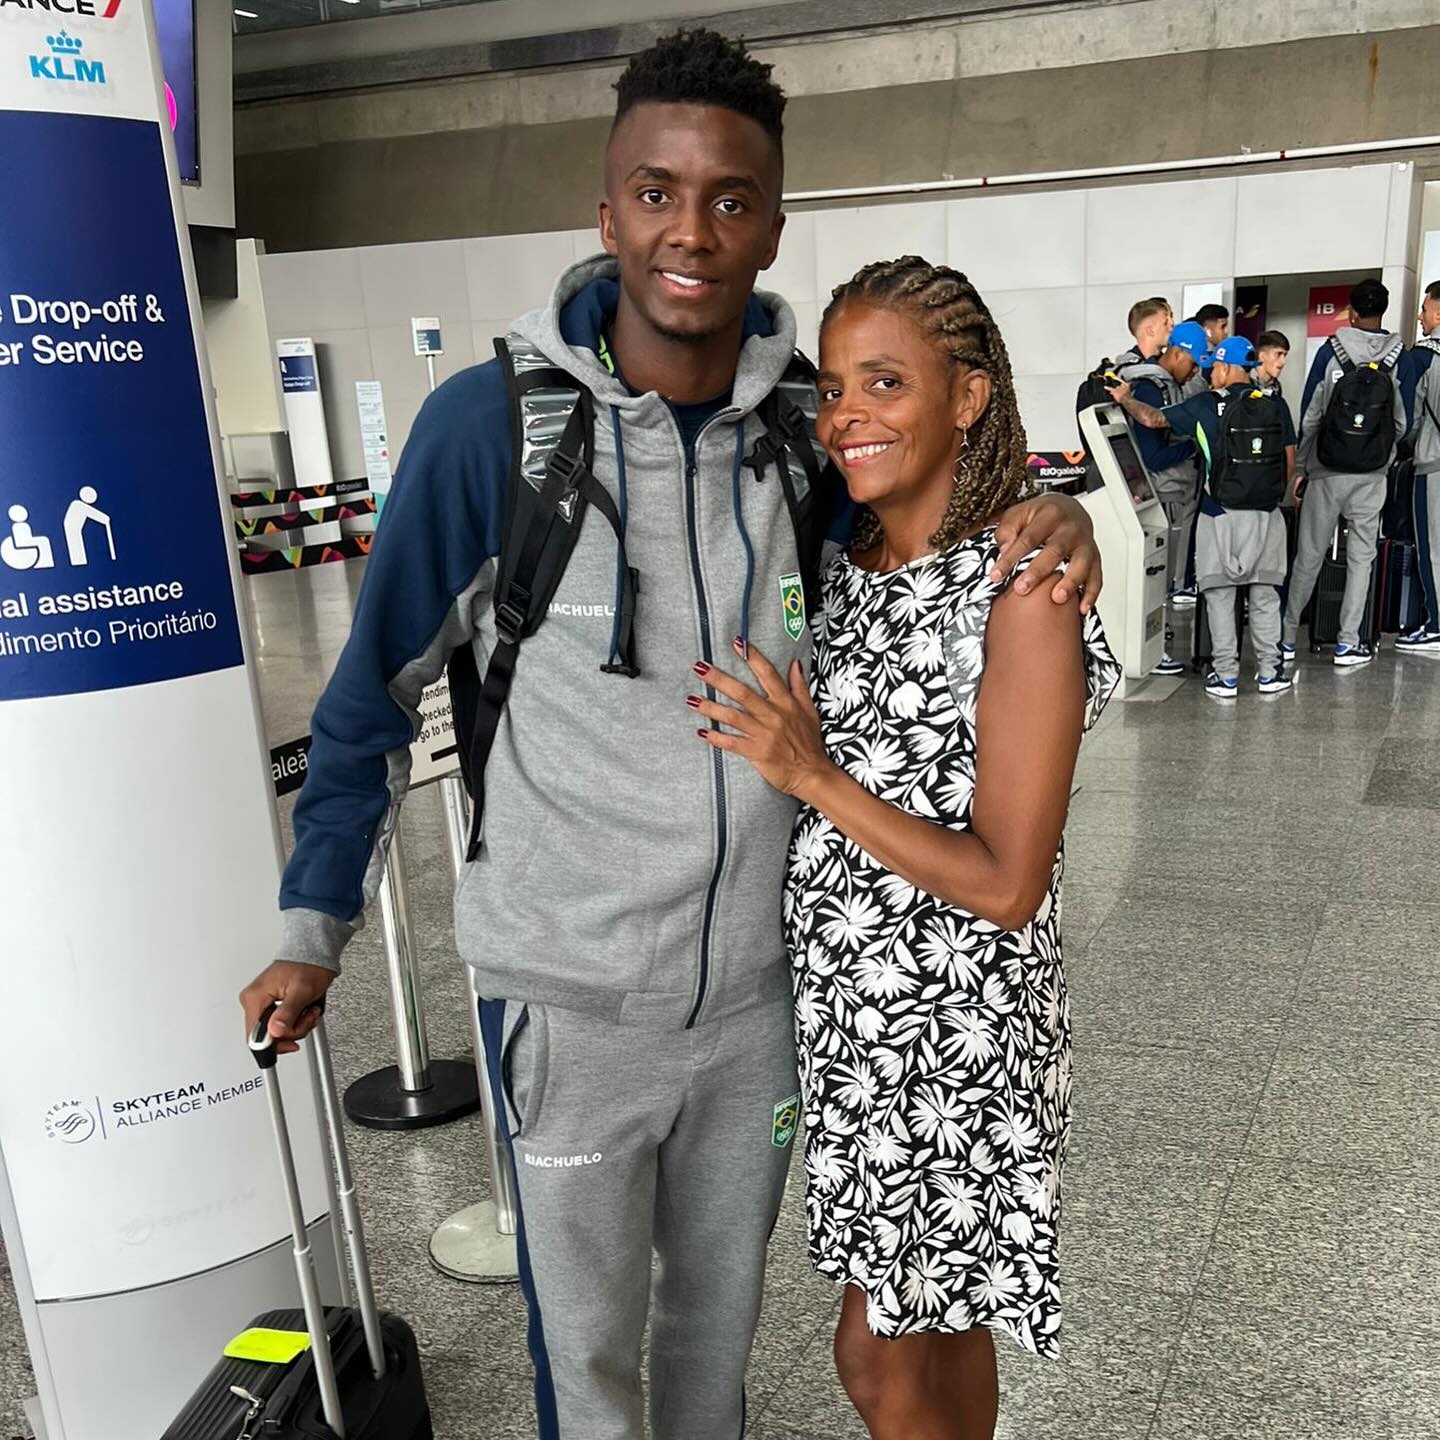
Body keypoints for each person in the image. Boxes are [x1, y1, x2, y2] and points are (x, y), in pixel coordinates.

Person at [236, 31, 1101, 1440]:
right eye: (655, 191)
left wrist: (1052, 515)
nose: (690, 231)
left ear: (771, 224)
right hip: (567, 1005)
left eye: (731, 199)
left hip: (762, 1012)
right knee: (587, 1369)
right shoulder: (487, 438)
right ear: (606, 213)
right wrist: (312, 925)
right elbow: (365, 704)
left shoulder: (803, 446)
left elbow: (932, 510)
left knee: (713, 1354)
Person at [690, 256, 1119, 1440]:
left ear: (968, 398)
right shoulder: (851, 565)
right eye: (834, 387)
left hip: (953, 1038)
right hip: (858, 1029)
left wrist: (807, 773)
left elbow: (1007, 879)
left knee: (875, 1357)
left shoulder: (1022, 588)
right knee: (940, 1328)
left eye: (886, 381)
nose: (846, 416)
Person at [1109, 335, 1295, 698]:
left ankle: (1226, 676)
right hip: (1267, 516)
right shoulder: (1277, 406)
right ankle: (1270, 673)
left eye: (1213, 369)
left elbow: (1153, 419)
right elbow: (1289, 458)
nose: (1209, 376)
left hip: (1219, 514)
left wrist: (1125, 398)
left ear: (1226, 367)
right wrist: (1271, 498)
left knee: (1221, 597)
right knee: (1265, 597)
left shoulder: (1205, 405)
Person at [1282, 277, 1406, 668]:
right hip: (1371, 475)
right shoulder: (1399, 355)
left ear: (1351, 312)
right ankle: (1348, 643)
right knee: (1361, 558)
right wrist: (1382, 458)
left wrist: (1301, 467)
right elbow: (1402, 423)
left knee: (1309, 556)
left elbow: (1311, 413)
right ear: (1381, 312)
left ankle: (1286, 638)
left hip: (1326, 471)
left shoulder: (1331, 352)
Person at [1119, 319, 1209, 666]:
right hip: (1161, 498)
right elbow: (1152, 455)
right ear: (1176, 353)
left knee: (1162, 580)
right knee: (1155, 580)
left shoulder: (1165, 385)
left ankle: (1156, 648)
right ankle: (1153, 652)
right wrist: (1193, 449)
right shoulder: (1150, 389)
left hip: (1168, 497)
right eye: (1193, 362)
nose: (1194, 371)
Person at [1396, 280, 1440, 652]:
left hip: (1434, 464)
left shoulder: (1422, 357)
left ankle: (1437, 624)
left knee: (1432, 546)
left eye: (1424, 309)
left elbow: (1407, 421)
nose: (1421, 317)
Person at [1114, 297, 1173, 370]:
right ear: (1150, 330)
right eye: (1165, 323)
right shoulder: (1129, 374)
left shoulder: (1169, 367)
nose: (1171, 329)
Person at [1252, 330, 1291, 396]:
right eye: (1278, 354)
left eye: (1285, 355)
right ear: (1262, 356)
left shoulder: (1277, 387)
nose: (1283, 361)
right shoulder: (1244, 381)